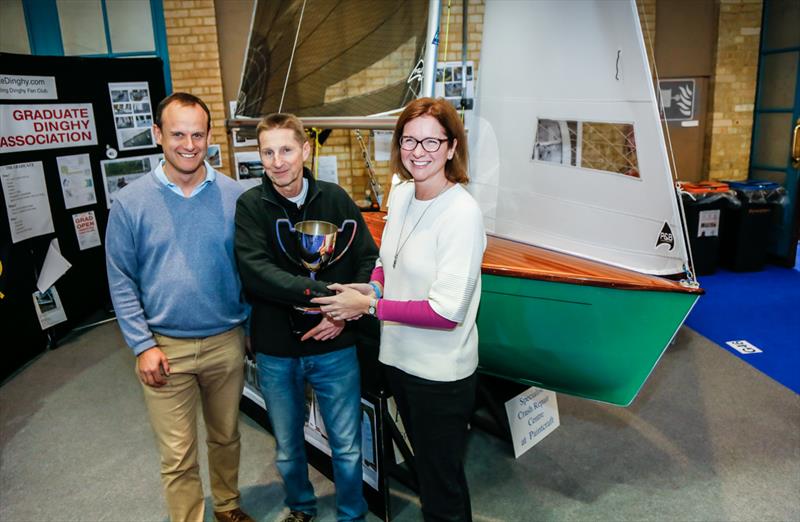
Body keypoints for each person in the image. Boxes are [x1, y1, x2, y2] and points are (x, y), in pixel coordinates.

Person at [312, 97, 486, 521]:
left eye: (431, 141)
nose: (418, 151)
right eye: (409, 140)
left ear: (451, 147)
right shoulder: (404, 193)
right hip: (402, 362)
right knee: (427, 475)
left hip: (440, 375)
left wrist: (370, 306)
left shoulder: (462, 214)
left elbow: (447, 313)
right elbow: (388, 261)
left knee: (442, 486)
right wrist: (371, 286)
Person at [105, 92, 253, 522]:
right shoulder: (131, 203)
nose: (188, 144)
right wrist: (141, 345)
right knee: (178, 453)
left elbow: (248, 268)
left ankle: (228, 507)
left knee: (226, 437)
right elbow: (120, 279)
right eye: (177, 134)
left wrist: (249, 327)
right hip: (163, 349)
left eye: (197, 134)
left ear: (208, 136)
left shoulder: (234, 196)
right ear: (157, 135)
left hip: (226, 341)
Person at [234, 113, 377, 522]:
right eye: (268, 152)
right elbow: (256, 272)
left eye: (286, 149)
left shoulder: (335, 199)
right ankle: (301, 507)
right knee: (287, 445)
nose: (277, 161)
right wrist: (324, 297)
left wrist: (342, 314)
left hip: (336, 342)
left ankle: (352, 514)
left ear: (306, 150)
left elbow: (366, 258)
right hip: (277, 348)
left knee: (347, 444)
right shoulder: (250, 206)